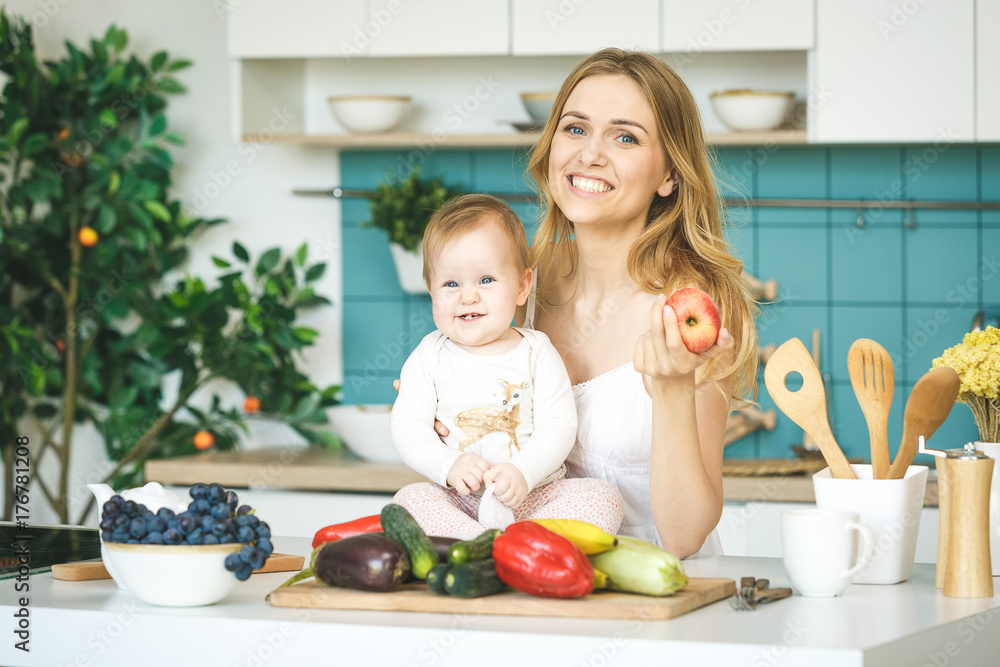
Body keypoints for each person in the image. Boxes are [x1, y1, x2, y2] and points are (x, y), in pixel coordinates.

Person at [515, 48, 759, 559]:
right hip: (534, 582)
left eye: (624, 136)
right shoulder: (519, 287)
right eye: (575, 128)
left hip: (661, 604)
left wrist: (671, 390)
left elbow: (685, 535)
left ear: (669, 174)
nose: (590, 154)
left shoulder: (690, 310)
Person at [390, 194, 625, 540]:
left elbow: (559, 423)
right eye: (451, 284)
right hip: (461, 498)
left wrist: (523, 471)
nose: (468, 296)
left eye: (486, 280)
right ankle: (485, 545)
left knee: (604, 499)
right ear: (431, 290)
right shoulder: (429, 355)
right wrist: (447, 466)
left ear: (521, 286)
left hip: (534, 495)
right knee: (408, 502)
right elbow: (407, 426)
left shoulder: (537, 351)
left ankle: (514, 543)